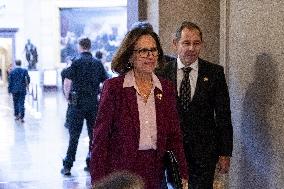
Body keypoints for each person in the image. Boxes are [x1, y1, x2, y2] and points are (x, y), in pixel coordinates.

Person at [89, 28, 188, 189]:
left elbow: (174, 137)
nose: (150, 56)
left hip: (156, 173)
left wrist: (182, 173)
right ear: (130, 56)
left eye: (153, 50)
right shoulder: (114, 88)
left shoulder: (166, 88)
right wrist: (98, 182)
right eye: (143, 51)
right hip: (122, 175)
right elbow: (100, 139)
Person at [156, 21, 233, 189]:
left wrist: (225, 152)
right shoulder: (161, 73)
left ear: (202, 45)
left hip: (204, 152)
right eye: (186, 43)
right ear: (175, 44)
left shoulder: (214, 73)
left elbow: (223, 115)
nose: (191, 48)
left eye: (196, 43)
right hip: (171, 152)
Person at [60, 37, 108, 175]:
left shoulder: (75, 62)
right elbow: (105, 82)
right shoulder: (97, 63)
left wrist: (67, 97)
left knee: (74, 136)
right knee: (94, 135)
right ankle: (92, 162)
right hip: (93, 103)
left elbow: (67, 81)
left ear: (80, 46)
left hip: (77, 103)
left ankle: (68, 165)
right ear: (90, 46)